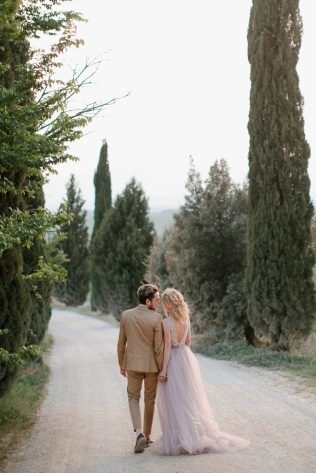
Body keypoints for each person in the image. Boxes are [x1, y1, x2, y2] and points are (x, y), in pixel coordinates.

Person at [153, 287, 250, 456]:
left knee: (175, 399)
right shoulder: (186, 319)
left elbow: (167, 347)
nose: (161, 305)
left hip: (174, 360)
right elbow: (188, 342)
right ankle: (195, 434)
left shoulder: (166, 323)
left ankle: (181, 438)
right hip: (186, 358)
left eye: (163, 302)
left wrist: (163, 369)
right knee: (190, 398)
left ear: (168, 305)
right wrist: (184, 356)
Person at [117, 284, 164, 454]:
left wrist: (122, 363)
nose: (158, 303)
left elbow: (121, 343)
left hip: (132, 364)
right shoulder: (156, 319)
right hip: (152, 365)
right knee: (149, 399)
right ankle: (148, 435)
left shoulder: (126, 315)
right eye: (156, 300)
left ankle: (139, 433)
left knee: (133, 398)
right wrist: (162, 368)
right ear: (148, 301)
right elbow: (159, 348)